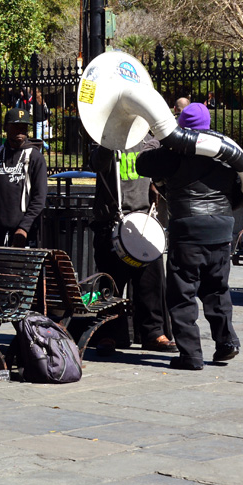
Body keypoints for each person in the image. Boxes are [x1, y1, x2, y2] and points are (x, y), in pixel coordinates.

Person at [136, 103, 243, 371]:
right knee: (217, 289)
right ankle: (226, 343)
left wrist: (165, 142)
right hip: (221, 228)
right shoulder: (226, 152)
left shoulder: (174, 154)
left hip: (188, 229)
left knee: (182, 294)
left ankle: (191, 355)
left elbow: (142, 164)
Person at [89, 139, 174, 352]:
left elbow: (162, 171)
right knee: (111, 284)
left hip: (143, 220)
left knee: (150, 284)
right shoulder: (104, 140)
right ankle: (110, 333)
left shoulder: (149, 142)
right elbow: (96, 164)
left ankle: (153, 333)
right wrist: (109, 141)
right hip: (110, 221)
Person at [0, 108, 48, 248]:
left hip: (23, 232)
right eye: (16, 127)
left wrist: (24, 228)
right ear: (6, 127)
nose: (20, 131)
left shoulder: (35, 157)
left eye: (24, 128)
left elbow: (39, 198)